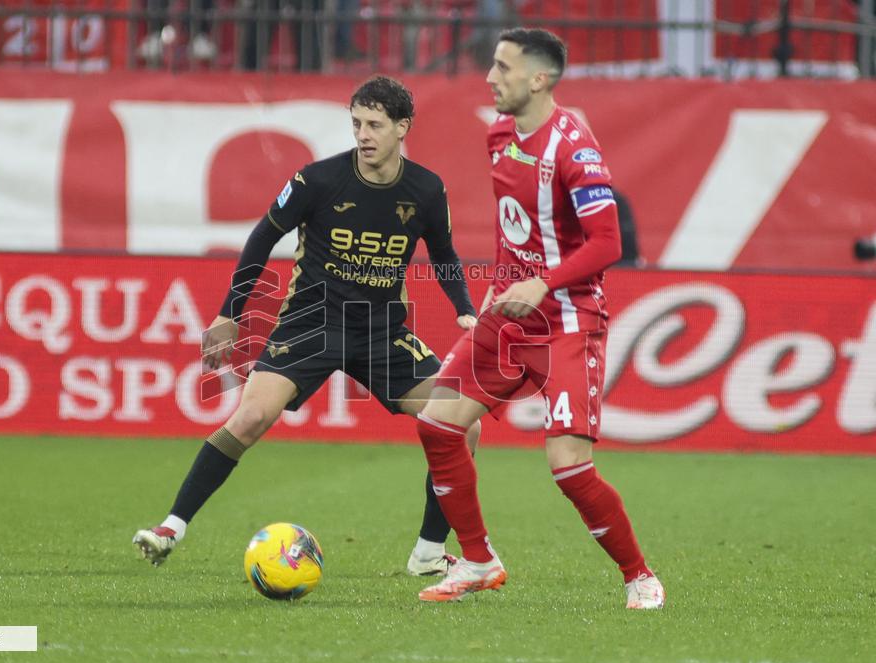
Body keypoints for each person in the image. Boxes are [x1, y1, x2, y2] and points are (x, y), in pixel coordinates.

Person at [133, 76, 502, 591]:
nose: (363, 134)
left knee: (464, 424)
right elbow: (262, 237)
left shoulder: (425, 189)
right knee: (251, 417)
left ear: (402, 128)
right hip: (311, 323)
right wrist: (230, 314)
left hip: (381, 331)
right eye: (356, 123)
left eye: (375, 125)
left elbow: (443, 254)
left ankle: (429, 553)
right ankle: (171, 528)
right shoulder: (318, 180)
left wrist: (464, 308)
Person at [415, 28, 665, 609]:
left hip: (567, 322)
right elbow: (514, 224)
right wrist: (502, 285)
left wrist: (543, 282)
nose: (490, 77)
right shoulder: (499, 133)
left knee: (568, 467)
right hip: (508, 317)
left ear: (539, 79)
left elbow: (608, 243)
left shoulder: (575, 150)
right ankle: (478, 561)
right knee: (437, 423)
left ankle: (639, 576)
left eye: (503, 67)